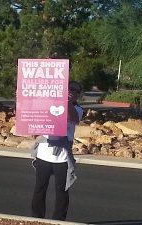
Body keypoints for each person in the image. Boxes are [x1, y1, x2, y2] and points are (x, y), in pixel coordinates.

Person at [31, 80, 84, 221]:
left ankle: (58, 220)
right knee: (40, 188)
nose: (72, 91)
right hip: (44, 153)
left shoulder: (78, 109)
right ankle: (37, 218)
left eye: (75, 90)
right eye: (69, 88)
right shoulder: (49, 105)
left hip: (62, 156)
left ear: (78, 95)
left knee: (62, 190)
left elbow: (73, 118)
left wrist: (65, 101)